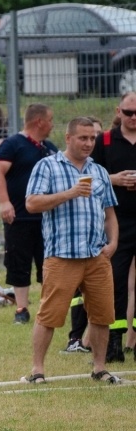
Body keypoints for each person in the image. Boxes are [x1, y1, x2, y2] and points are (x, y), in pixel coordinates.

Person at [22, 116, 122, 385]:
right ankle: (37, 370)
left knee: (102, 314)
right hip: (62, 255)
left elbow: (109, 212)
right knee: (49, 314)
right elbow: (31, 203)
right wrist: (70, 192)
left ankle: (99, 368)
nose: (89, 143)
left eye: (92, 138)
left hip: (96, 256)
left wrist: (112, 243)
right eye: (83, 138)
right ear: (68, 138)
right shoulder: (47, 166)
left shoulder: (99, 171)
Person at [0, 104, 57, 326]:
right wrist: (4, 202)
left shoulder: (48, 148)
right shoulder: (14, 144)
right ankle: (21, 308)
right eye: (50, 119)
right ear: (39, 121)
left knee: (48, 264)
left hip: (46, 218)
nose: (52, 124)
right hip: (18, 217)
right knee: (18, 263)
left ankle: (48, 308)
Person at [90, 93, 136, 363]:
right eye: (128, 112)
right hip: (116, 222)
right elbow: (88, 173)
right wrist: (113, 179)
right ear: (119, 111)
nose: (133, 118)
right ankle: (114, 344)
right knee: (115, 283)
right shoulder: (104, 141)